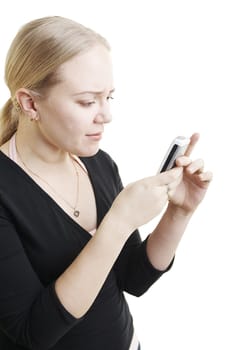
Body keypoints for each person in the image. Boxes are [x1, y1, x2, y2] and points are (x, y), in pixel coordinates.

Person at [0, 16, 212, 350]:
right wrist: (119, 222)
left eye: (108, 97)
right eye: (87, 101)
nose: (106, 115)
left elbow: (133, 278)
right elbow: (32, 332)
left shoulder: (96, 162)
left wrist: (180, 212)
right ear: (30, 103)